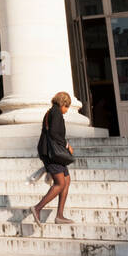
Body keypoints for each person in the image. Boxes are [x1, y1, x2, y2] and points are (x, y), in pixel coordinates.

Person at [32, 91, 75, 225]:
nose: (67, 110)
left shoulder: (51, 112)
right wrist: (67, 145)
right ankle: (37, 208)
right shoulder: (56, 113)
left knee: (66, 180)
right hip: (51, 154)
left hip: (52, 152)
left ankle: (60, 216)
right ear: (62, 103)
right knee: (60, 183)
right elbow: (55, 133)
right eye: (66, 107)